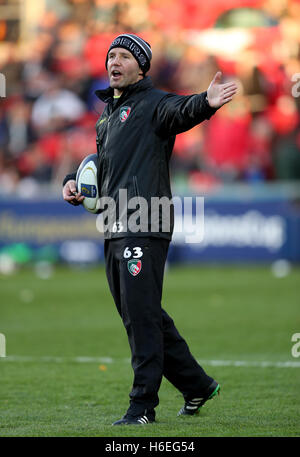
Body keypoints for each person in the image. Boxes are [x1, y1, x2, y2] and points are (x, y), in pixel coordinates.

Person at [63, 34, 237, 425]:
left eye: (124, 56)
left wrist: (205, 104)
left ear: (141, 67)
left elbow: (181, 110)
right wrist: (72, 181)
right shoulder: (107, 114)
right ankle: (196, 385)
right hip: (113, 222)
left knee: (141, 317)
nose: (115, 62)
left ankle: (142, 407)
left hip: (144, 220)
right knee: (141, 314)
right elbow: (102, 164)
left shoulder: (153, 103)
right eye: (111, 56)